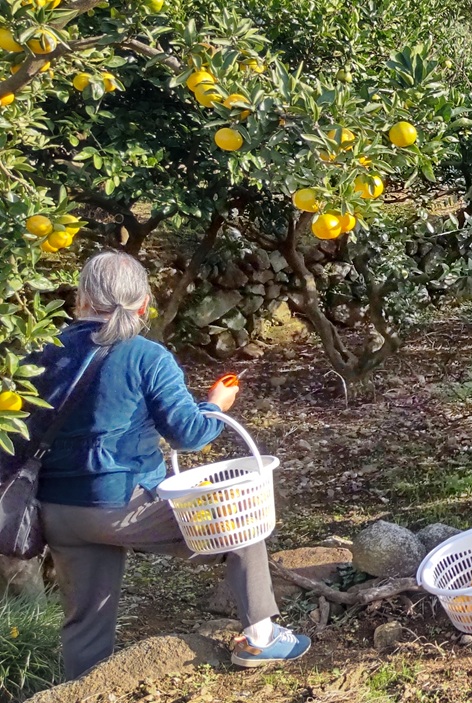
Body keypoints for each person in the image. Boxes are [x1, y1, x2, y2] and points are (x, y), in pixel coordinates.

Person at [28, 251, 310, 679]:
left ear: (81, 298)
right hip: (125, 504)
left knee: (86, 622)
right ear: (144, 304)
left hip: (60, 511)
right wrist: (214, 405)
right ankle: (261, 637)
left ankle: (82, 690)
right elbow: (188, 434)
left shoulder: (42, 353)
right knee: (239, 526)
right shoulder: (147, 356)